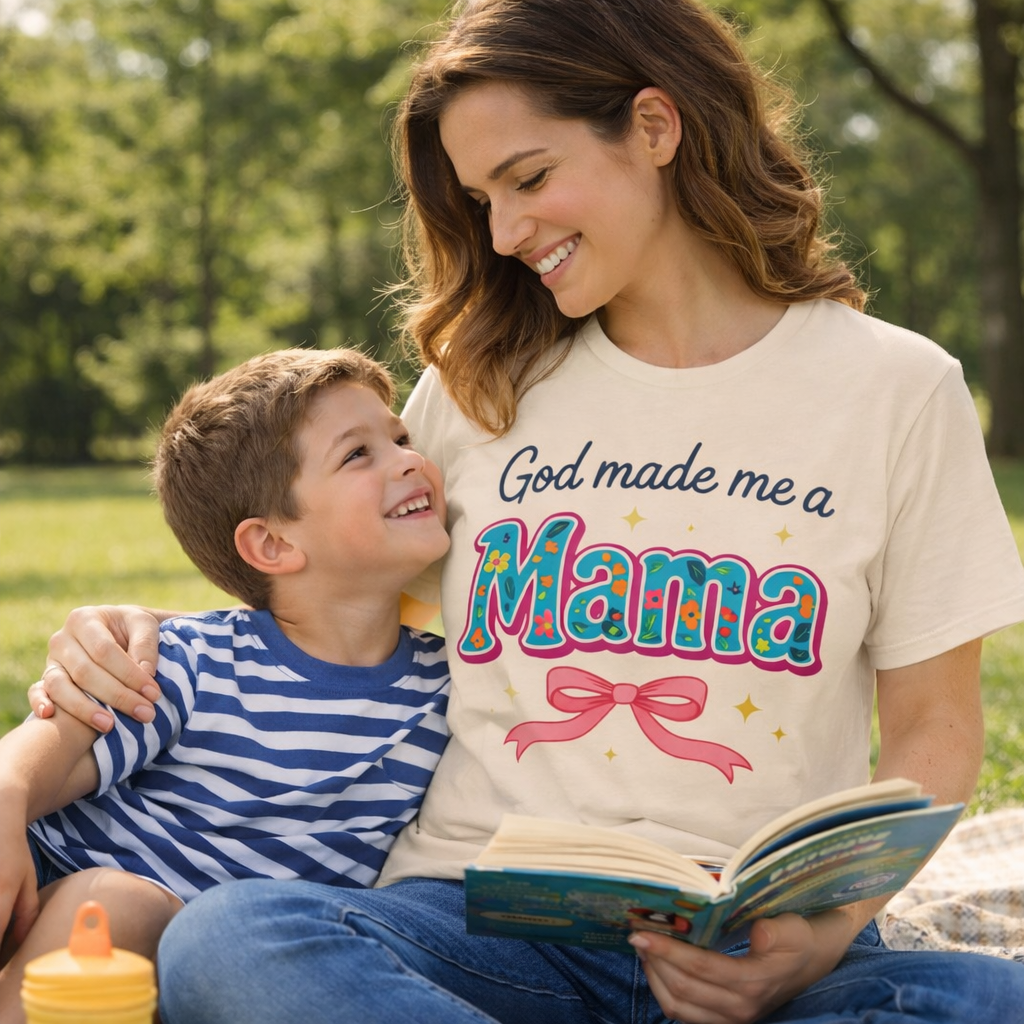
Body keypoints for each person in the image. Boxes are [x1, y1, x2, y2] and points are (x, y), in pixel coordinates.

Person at [30, 0, 1024, 1021]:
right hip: (480, 935)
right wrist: (121, 636)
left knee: (992, 998)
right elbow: (326, 602)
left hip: (755, 953)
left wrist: (810, 945)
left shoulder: (897, 389)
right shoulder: (474, 390)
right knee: (232, 939)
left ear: (653, 126)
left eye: (530, 178)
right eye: (481, 200)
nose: (504, 234)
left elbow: (933, 730)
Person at [1, 347, 450, 1021]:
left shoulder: (448, 689)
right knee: (121, 903)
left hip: (231, 968)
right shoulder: (194, 662)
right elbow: (52, 743)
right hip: (58, 920)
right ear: (272, 545)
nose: (409, 459)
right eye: (359, 454)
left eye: (401, 437)